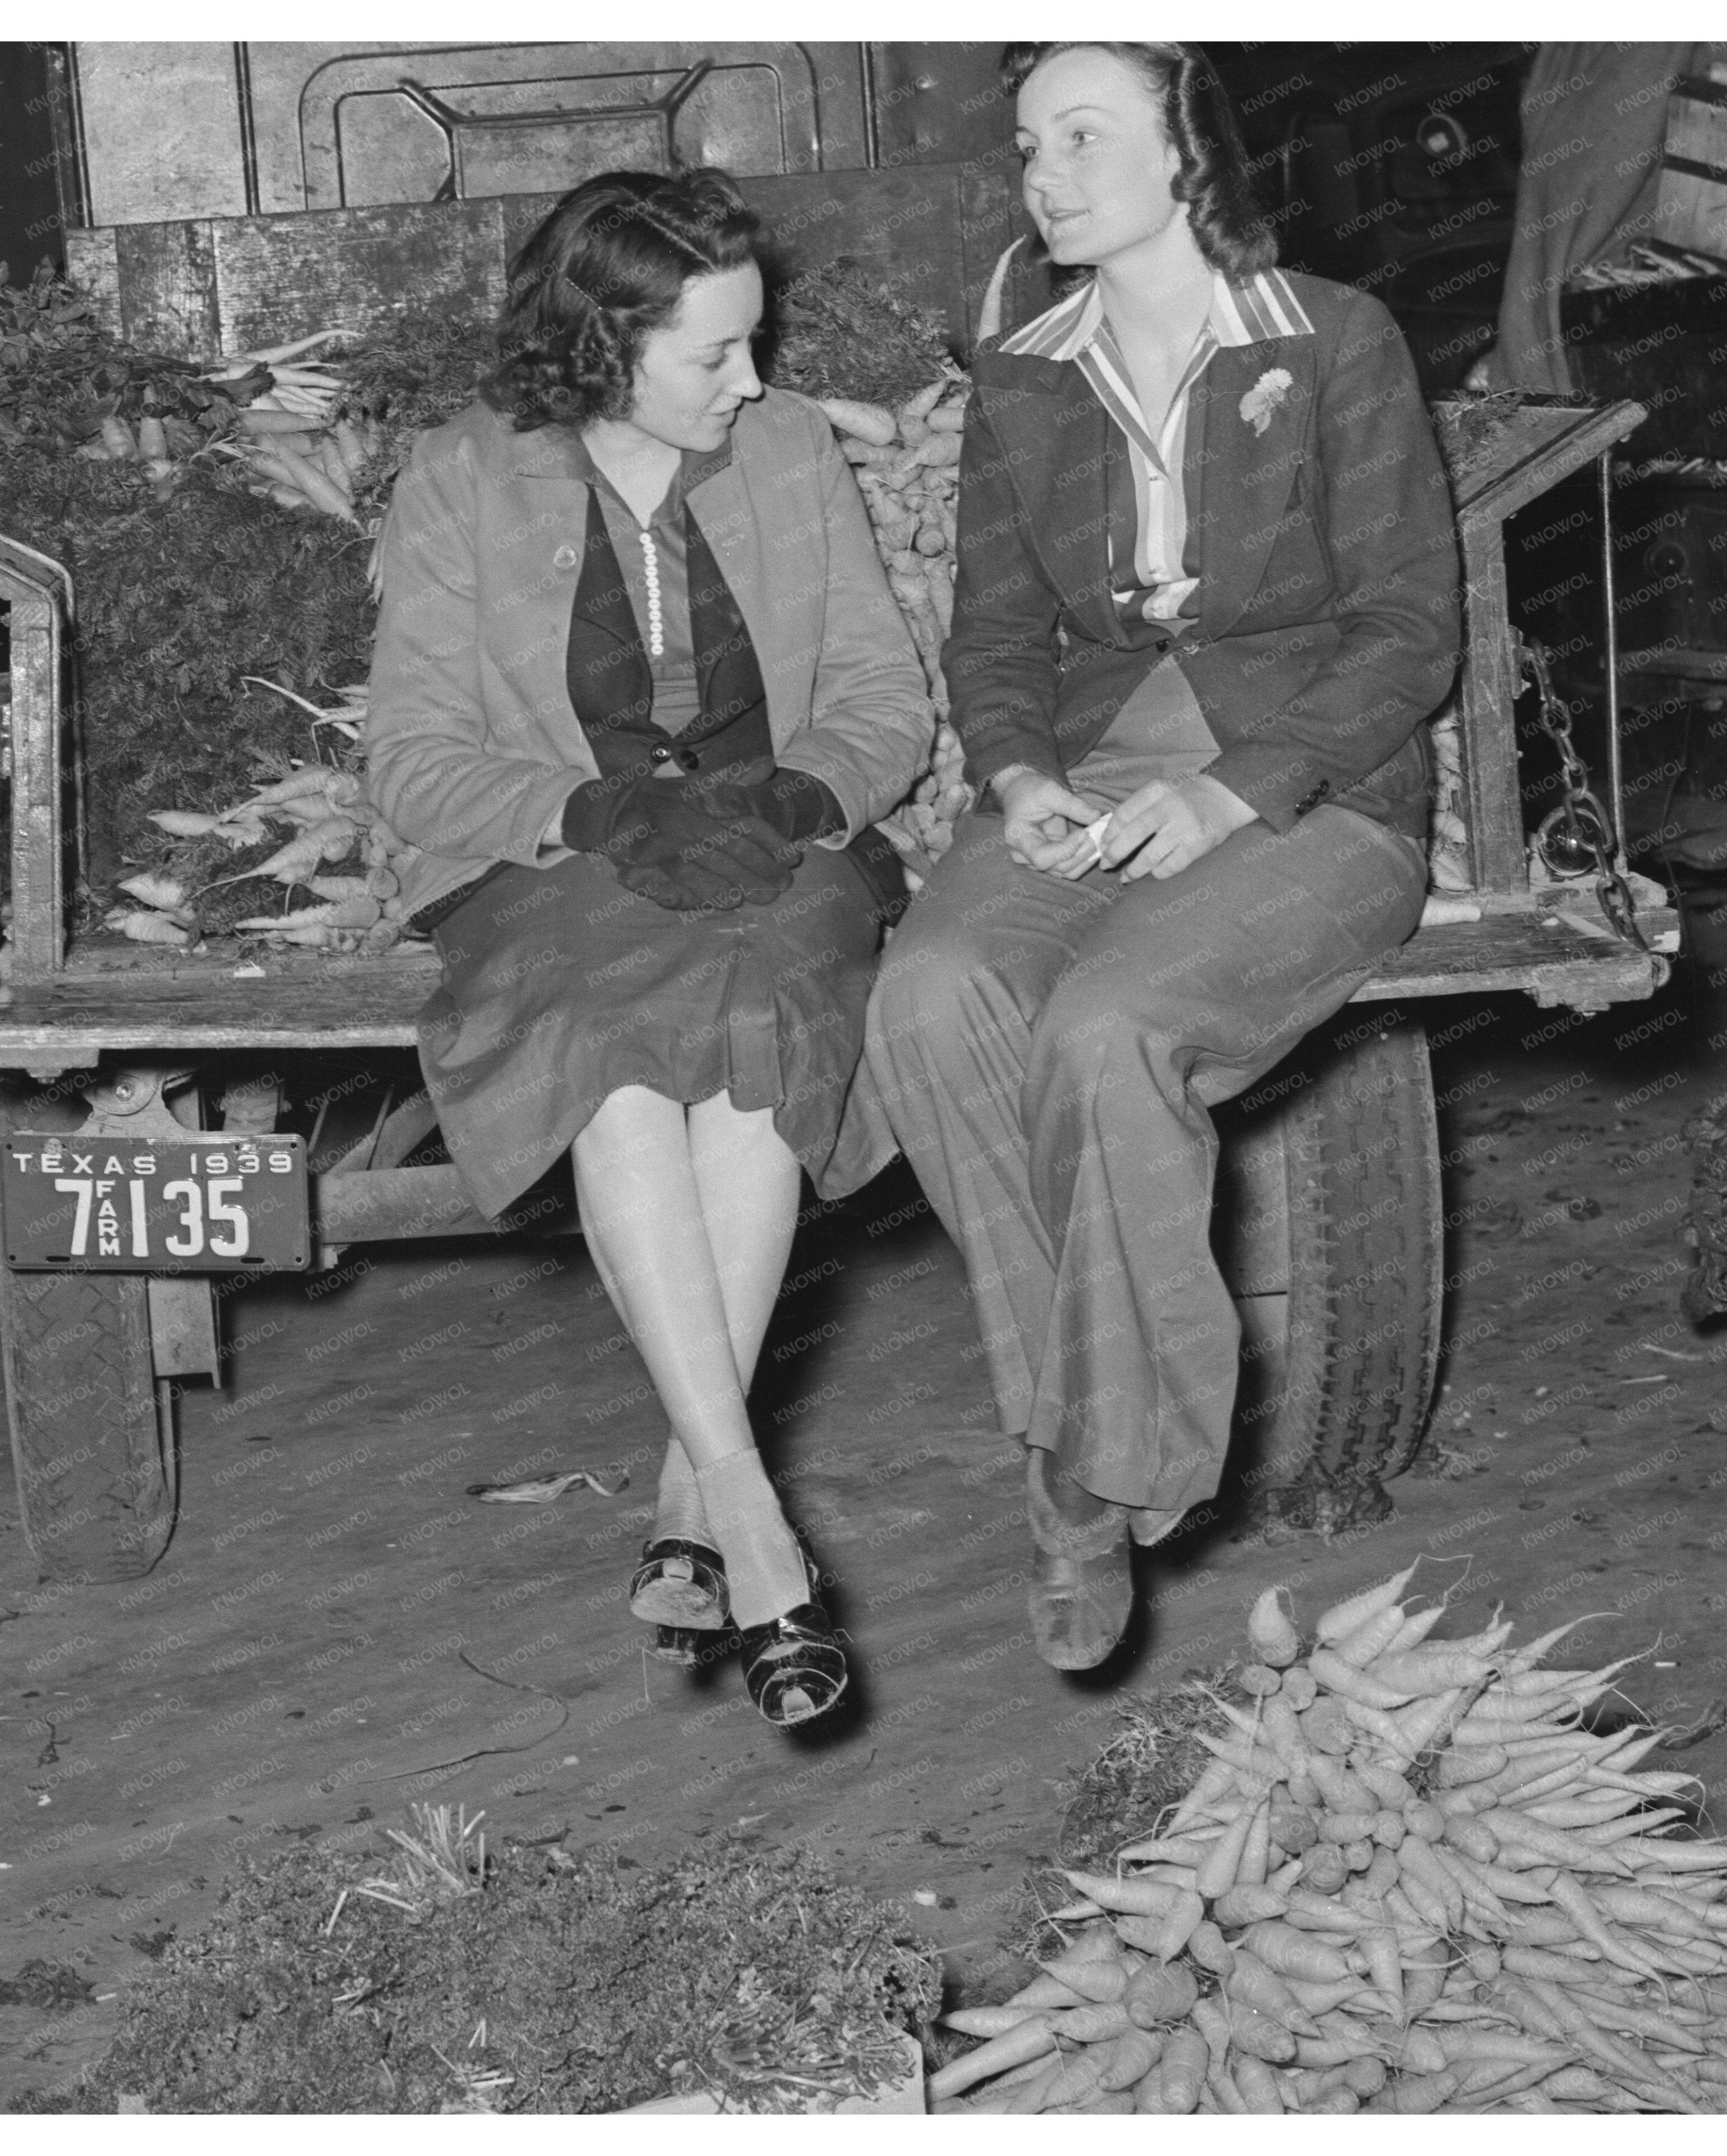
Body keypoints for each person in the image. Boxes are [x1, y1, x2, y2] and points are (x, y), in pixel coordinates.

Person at [862, 43, 1458, 1669]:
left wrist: (1234, 791)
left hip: (1317, 791)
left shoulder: (1333, 340)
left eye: (1084, 136)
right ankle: (1075, 1418)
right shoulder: (1026, 371)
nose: (1044, 173)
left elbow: (1410, 630)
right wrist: (1019, 772)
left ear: (1189, 156)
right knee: (930, 994)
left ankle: (1089, 1481)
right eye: (1028, 143)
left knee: (1109, 1028)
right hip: (1101, 760)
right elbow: (996, 630)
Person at [365, 168, 933, 1725]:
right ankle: (747, 1521)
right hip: (555, 860)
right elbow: (411, 758)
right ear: (601, 345)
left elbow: (887, 700)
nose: (753, 382)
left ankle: (703, 1506)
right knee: (615, 1067)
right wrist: (599, 815)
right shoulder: (464, 478)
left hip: (776, 846)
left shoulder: (792, 449)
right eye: (714, 354)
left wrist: (803, 792)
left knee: (753, 1046)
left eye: (756, 345)